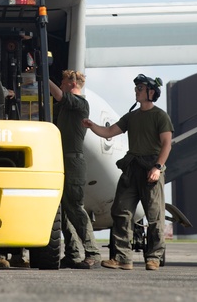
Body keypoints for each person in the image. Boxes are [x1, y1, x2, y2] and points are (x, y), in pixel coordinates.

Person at [83, 74, 172, 271]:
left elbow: (167, 144)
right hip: (132, 168)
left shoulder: (160, 116)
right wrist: (92, 126)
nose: (136, 91)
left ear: (151, 92)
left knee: (154, 215)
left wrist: (157, 168)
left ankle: (154, 257)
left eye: (140, 88)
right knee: (121, 211)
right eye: (136, 88)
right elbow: (109, 132)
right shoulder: (131, 117)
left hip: (151, 168)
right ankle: (123, 258)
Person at [49, 70, 100, 269]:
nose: (60, 85)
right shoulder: (67, 108)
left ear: (71, 83)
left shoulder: (80, 103)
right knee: (63, 209)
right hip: (63, 162)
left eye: (62, 81)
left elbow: (60, 95)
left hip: (73, 163)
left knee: (75, 209)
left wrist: (45, 77)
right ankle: (72, 252)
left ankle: (92, 252)